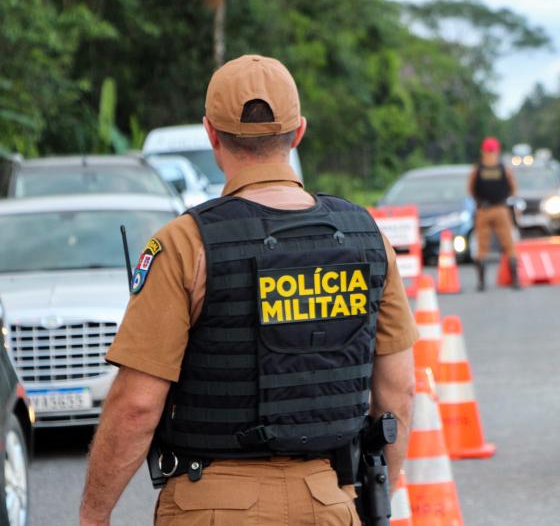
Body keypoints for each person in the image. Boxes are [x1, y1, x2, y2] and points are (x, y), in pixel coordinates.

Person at [79, 55, 417, 526]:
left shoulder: (184, 243)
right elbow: (398, 392)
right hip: (329, 502)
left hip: (211, 506)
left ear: (211, 134)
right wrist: (378, 495)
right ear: (298, 132)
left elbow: (136, 406)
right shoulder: (368, 237)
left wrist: (94, 514)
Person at [467, 137, 520, 291]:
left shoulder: (477, 170)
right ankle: (515, 281)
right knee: (509, 245)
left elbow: (471, 190)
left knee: (482, 247)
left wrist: (480, 201)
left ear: (482, 151)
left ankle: (481, 284)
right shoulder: (504, 169)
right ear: (497, 151)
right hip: (501, 209)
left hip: (483, 210)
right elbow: (513, 188)